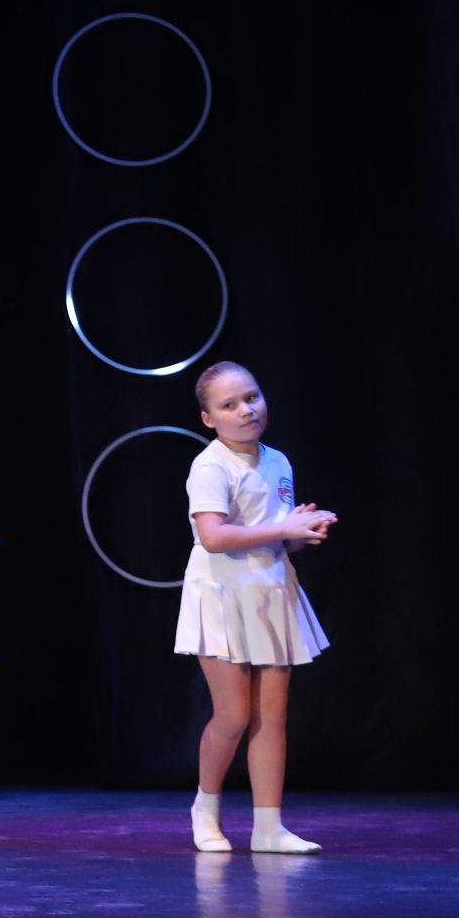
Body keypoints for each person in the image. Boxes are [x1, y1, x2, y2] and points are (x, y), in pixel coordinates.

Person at [180, 361, 334, 854]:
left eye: (251, 397)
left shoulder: (278, 461)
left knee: (272, 717)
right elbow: (213, 535)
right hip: (223, 594)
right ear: (209, 419)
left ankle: (269, 827)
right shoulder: (210, 466)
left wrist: (301, 531)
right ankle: (206, 808)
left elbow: (278, 537)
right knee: (233, 715)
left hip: (270, 591)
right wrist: (283, 528)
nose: (246, 410)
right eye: (230, 405)